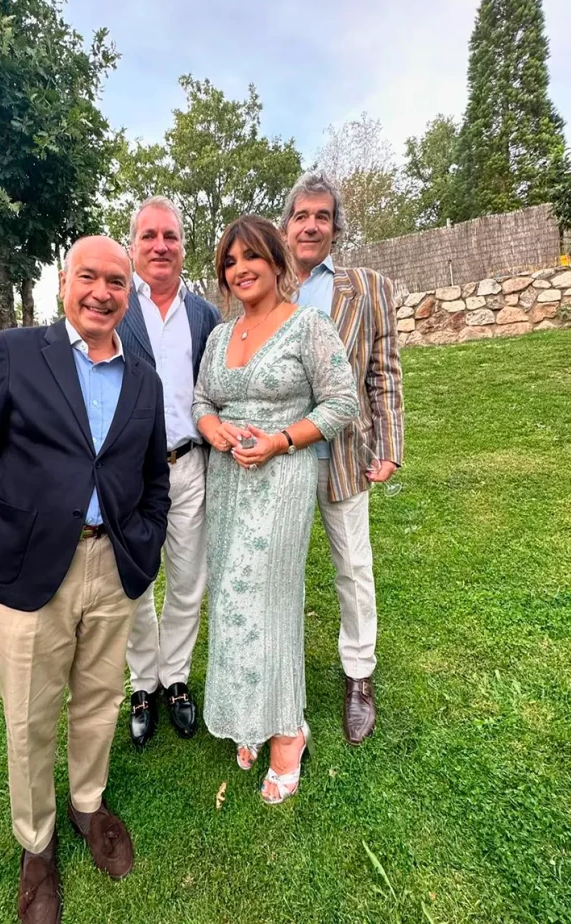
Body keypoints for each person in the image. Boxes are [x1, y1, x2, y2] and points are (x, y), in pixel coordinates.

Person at [0, 237, 170, 924]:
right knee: (29, 716)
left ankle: (87, 804)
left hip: (114, 563)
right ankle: (36, 845)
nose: (102, 292)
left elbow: (154, 476)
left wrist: (145, 542)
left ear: (130, 294)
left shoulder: (144, 377)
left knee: (99, 699)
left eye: (116, 283)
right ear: (65, 281)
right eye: (88, 277)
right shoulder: (15, 352)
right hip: (28, 566)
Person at [192, 216, 359, 804]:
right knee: (232, 597)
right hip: (227, 480)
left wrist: (281, 440)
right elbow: (202, 398)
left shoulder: (308, 326)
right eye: (229, 262)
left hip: (282, 477)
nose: (240, 270)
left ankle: (287, 730)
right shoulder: (218, 335)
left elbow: (343, 401)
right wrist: (212, 428)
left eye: (251, 257)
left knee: (270, 598)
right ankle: (248, 714)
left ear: (277, 262)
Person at [283, 170, 404, 745]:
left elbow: (384, 374)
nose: (311, 226)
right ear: (286, 227)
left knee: (352, 567)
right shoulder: (266, 286)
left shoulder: (368, 288)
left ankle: (359, 676)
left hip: (344, 453)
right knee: (277, 570)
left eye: (322, 217)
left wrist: (390, 446)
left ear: (335, 228)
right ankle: (278, 680)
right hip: (281, 457)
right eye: (301, 216)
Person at [117, 196, 221, 748]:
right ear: (133, 246)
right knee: (136, 583)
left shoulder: (204, 315)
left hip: (189, 465)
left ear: (183, 246)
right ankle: (143, 682)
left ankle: (175, 677)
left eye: (171, 237)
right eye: (149, 236)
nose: (160, 246)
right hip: (129, 475)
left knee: (186, 581)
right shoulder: (115, 306)